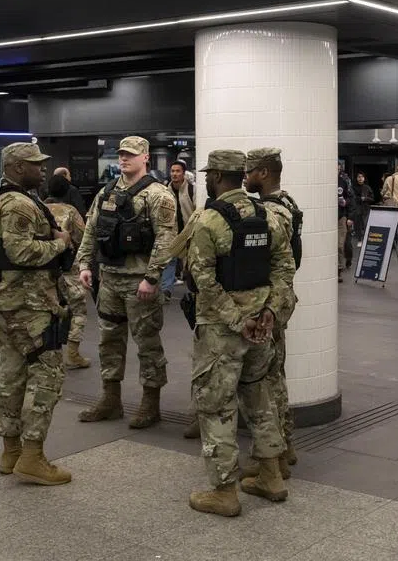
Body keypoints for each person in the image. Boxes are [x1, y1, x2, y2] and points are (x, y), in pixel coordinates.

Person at [183, 150, 294, 517]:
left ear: (215, 177)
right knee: (259, 397)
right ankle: (270, 476)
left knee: (216, 407)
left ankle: (225, 492)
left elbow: (204, 281)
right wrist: (270, 312)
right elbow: (284, 268)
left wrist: (235, 319)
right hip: (262, 326)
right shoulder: (267, 216)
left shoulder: (208, 221)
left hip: (222, 332)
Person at [0, 142, 74, 484]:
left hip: (4, 300)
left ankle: (11, 452)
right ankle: (32, 455)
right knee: (48, 374)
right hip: (27, 303)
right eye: (36, 164)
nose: (44, 169)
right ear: (18, 168)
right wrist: (60, 243)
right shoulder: (18, 203)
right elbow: (20, 252)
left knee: (12, 372)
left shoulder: (0, 196)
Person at [76, 136, 178, 429]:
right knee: (109, 340)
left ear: (145, 157)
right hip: (109, 279)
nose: (124, 159)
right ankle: (110, 399)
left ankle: (151, 403)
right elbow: (91, 230)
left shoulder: (158, 195)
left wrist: (152, 277)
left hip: (139, 283)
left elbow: (166, 239)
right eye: (121, 154)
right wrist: (85, 264)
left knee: (147, 342)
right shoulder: (105, 192)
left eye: (130, 155)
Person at [241, 147, 303, 471]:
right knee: (276, 374)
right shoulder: (288, 202)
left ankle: (274, 455)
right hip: (279, 301)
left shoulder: (270, 212)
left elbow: (275, 262)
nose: (245, 176)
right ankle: (287, 446)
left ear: (264, 173)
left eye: (250, 170)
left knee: (267, 380)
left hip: (269, 302)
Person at [45, 173, 91, 370]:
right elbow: (83, 237)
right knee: (78, 309)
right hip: (68, 268)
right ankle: (72, 353)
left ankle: (46, 352)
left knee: (45, 310)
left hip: (44, 268)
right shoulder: (71, 211)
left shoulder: (39, 208)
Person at [161, 159, 196, 299]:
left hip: (189, 232)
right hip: (172, 232)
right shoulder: (165, 191)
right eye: (173, 171)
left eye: (178, 171)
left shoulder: (191, 189)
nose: (174, 174)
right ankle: (166, 290)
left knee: (191, 262)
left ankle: (194, 290)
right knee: (169, 260)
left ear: (184, 174)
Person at [337, 161, 355, 280]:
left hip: (340, 216)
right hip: (326, 217)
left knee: (339, 244)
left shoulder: (343, 182)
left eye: (338, 169)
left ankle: (338, 270)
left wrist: (350, 217)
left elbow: (350, 198)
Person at [352, 171, 374, 238]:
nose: (360, 178)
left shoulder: (367, 187)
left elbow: (372, 198)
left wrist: (365, 198)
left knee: (365, 224)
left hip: (365, 209)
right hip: (356, 208)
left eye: (362, 177)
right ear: (356, 178)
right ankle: (358, 238)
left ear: (364, 178)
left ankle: (365, 237)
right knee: (357, 224)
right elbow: (352, 198)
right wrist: (359, 199)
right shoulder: (353, 187)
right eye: (359, 177)